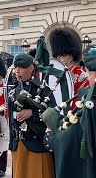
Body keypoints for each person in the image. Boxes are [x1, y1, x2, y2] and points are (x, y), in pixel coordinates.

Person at [43, 48, 96, 178]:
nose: (60, 59)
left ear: (70, 56)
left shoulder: (79, 74)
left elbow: (79, 133)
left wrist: (53, 137)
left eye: (63, 55)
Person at [8, 53, 56, 178]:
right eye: (16, 67)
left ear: (31, 68)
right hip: (19, 144)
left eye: (21, 67)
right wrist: (12, 143)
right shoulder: (13, 91)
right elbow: (11, 120)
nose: (17, 70)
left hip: (37, 143)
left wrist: (32, 113)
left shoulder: (43, 89)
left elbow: (53, 115)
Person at [49, 28, 89, 108]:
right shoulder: (54, 76)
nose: (57, 59)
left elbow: (80, 101)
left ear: (70, 57)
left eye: (60, 56)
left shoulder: (81, 76)